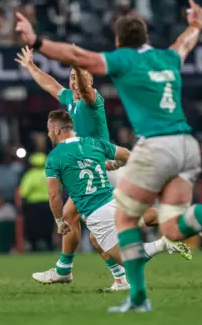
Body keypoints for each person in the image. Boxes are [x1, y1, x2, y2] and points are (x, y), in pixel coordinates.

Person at [15, 0, 202, 313]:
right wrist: (196, 24)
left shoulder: (105, 82)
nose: (73, 81)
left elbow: (77, 59)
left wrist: (39, 42)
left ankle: (124, 290)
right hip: (186, 144)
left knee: (119, 219)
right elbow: (184, 43)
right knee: (157, 223)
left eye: (78, 77)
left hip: (130, 155)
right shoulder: (166, 57)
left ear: (118, 41)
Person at [16, 47, 190, 292]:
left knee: (74, 216)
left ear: (91, 81)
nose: (76, 83)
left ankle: (64, 269)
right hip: (98, 165)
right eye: (73, 79)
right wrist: (31, 67)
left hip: (101, 170)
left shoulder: (91, 100)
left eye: (81, 78)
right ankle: (120, 278)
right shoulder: (70, 102)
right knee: (99, 234)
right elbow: (51, 85)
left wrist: (75, 62)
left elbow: (85, 91)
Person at [44, 111, 184, 276]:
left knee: (130, 260)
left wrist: (60, 221)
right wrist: (117, 163)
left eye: (49, 130)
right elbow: (126, 154)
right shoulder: (92, 143)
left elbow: (54, 196)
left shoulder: (54, 157)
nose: (48, 134)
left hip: (96, 211)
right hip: (114, 199)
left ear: (57, 131)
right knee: (99, 238)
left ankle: (163, 243)